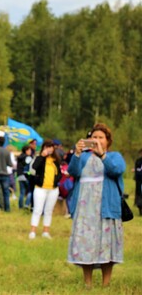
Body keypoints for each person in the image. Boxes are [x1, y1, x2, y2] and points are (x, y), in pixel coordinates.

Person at [67, 123, 126, 288]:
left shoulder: (114, 156)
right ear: (89, 139)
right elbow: (73, 172)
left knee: (107, 246)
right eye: (94, 137)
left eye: (101, 137)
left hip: (106, 208)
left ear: (108, 141)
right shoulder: (84, 157)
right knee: (86, 244)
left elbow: (116, 170)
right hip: (86, 210)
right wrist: (76, 154)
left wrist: (103, 156)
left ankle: (106, 284)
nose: (97, 140)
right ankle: (88, 283)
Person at [28, 139, 61, 239]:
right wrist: (42, 156)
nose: (49, 149)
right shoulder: (40, 158)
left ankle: (46, 231)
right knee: (37, 210)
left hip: (53, 189)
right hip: (40, 188)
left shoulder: (56, 160)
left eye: (50, 147)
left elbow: (59, 173)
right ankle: (33, 231)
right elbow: (34, 167)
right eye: (47, 147)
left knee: (48, 210)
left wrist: (56, 181)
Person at [16, 145, 33, 209]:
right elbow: (29, 167)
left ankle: (20, 206)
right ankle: (26, 204)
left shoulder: (20, 157)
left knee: (22, 193)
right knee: (30, 191)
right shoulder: (28, 158)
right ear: (26, 151)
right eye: (29, 150)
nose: (30, 151)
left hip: (19, 176)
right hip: (26, 176)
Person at [134, 149, 142, 216]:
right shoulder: (138, 161)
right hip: (139, 181)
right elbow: (137, 170)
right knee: (139, 194)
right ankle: (140, 209)